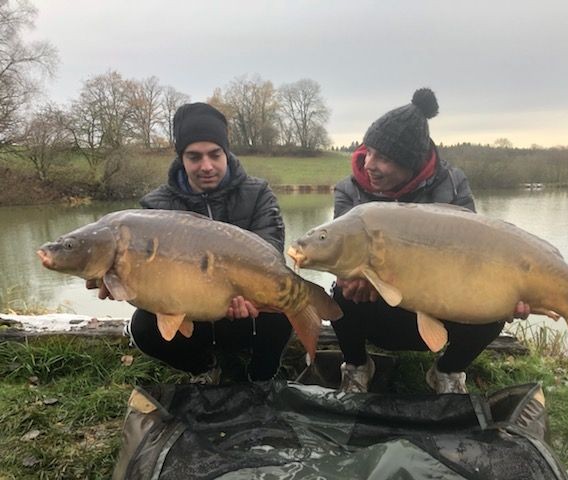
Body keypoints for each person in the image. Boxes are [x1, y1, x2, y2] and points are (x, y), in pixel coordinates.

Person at [331, 88, 530, 394]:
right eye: (368, 151)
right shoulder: (349, 190)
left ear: (410, 163)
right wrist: (350, 278)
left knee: (496, 307)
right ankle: (358, 366)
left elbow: (473, 255)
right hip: (377, 304)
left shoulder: (451, 183)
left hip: (440, 305)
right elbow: (342, 253)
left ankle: (447, 371)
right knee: (340, 294)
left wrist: (503, 291)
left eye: (382, 157)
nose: (369, 163)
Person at [89, 102, 291, 383]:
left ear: (226, 152)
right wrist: (119, 282)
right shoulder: (156, 207)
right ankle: (206, 369)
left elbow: (271, 254)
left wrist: (247, 290)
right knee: (144, 327)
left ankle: (262, 376)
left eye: (214, 154)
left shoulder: (258, 193)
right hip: (189, 310)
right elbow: (148, 280)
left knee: (283, 311)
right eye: (194, 157)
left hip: (244, 306)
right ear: (181, 158)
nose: (206, 166)